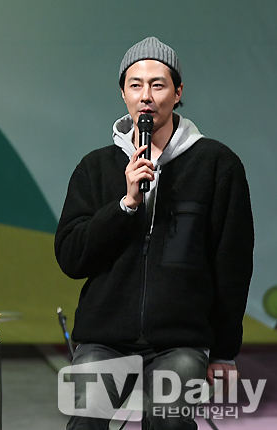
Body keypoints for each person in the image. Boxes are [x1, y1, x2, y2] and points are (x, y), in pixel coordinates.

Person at [54, 37, 253, 429]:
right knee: (86, 417)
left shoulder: (216, 165)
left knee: (168, 417)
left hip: (181, 341)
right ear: (123, 94)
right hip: (104, 338)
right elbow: (71, 257)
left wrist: (224, 352)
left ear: (177, 93)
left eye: (158, 85)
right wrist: (125, 205)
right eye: (136, 85)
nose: (146, 96)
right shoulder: (95, 168)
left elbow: (232, 265)